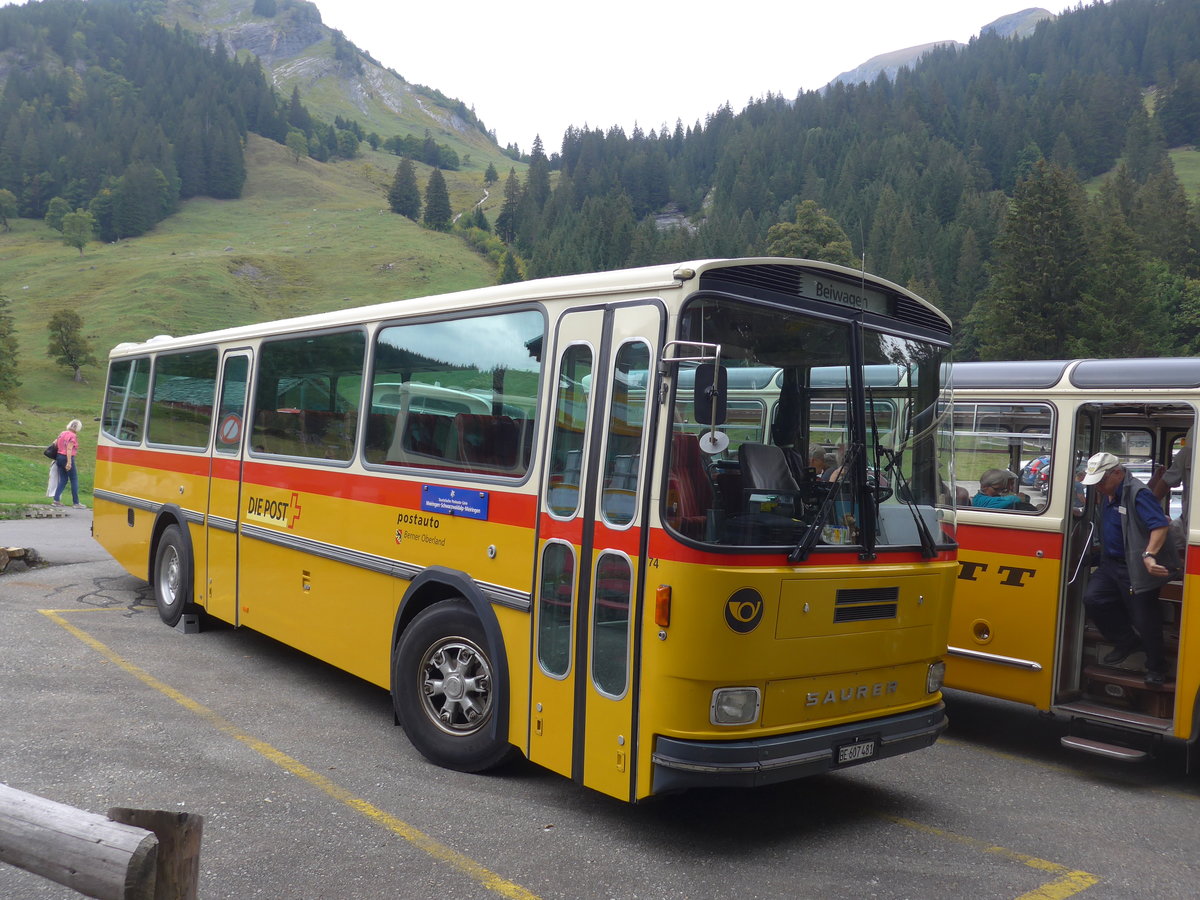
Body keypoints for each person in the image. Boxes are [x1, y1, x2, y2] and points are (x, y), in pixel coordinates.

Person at [1080, 451, 1178, 686]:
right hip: (1110, 564)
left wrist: (1149, 555)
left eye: (1102, 481)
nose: (1099, 487)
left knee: (1145, 619)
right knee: (1093, 599)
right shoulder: (1110, 492)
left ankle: (1156, 667)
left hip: (1134, 567)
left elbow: (1160, 525)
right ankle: (1125, 640)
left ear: (1117, 473)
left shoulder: (1137, 493)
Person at [52, 419, 85, 509]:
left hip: (59, 456)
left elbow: (54, 443)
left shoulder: (62, 433)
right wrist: (69, 462)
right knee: (74, 479)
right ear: (78, 427)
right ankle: (76, 502)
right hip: (67, 457)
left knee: (63, 479)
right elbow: (69, 449)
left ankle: (56, 500)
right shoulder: (73, 436)